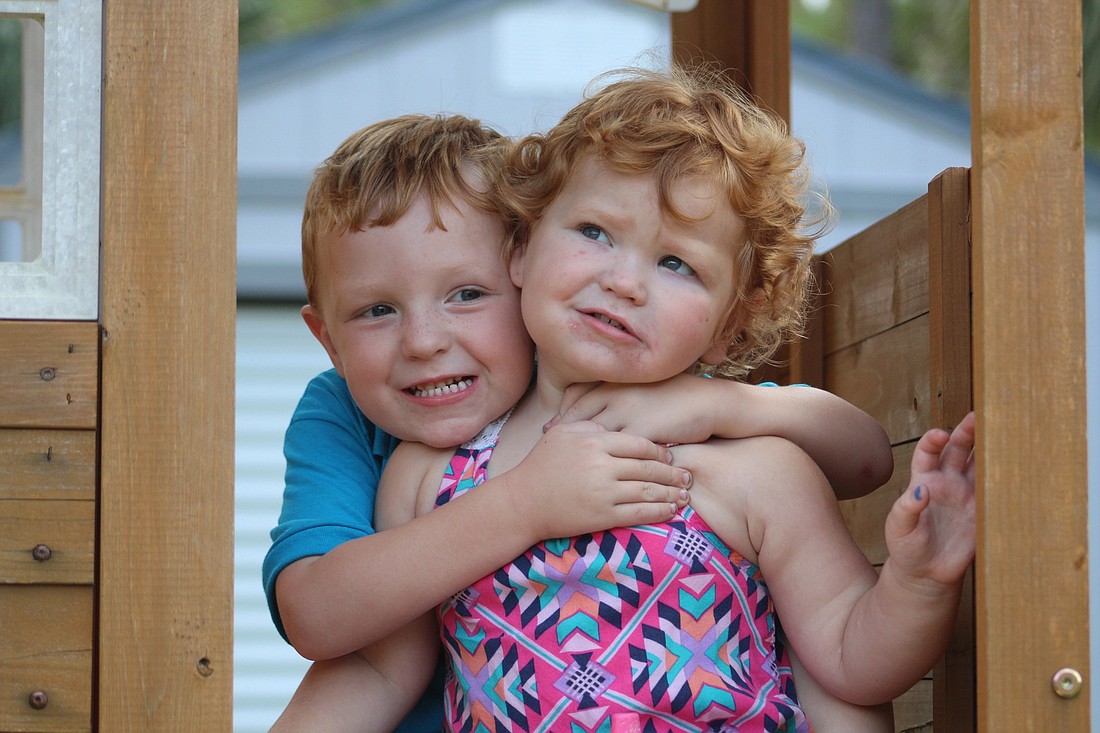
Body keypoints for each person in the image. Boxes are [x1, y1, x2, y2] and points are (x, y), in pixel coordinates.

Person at [324, 65, 977, 731]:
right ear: (521, 248)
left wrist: (918, 581)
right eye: (594, 232)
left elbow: (850, 657)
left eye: (677, 265)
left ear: (728, 327)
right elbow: (380, 674)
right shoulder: (430, 477)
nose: (624, 281)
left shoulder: (756, 471)